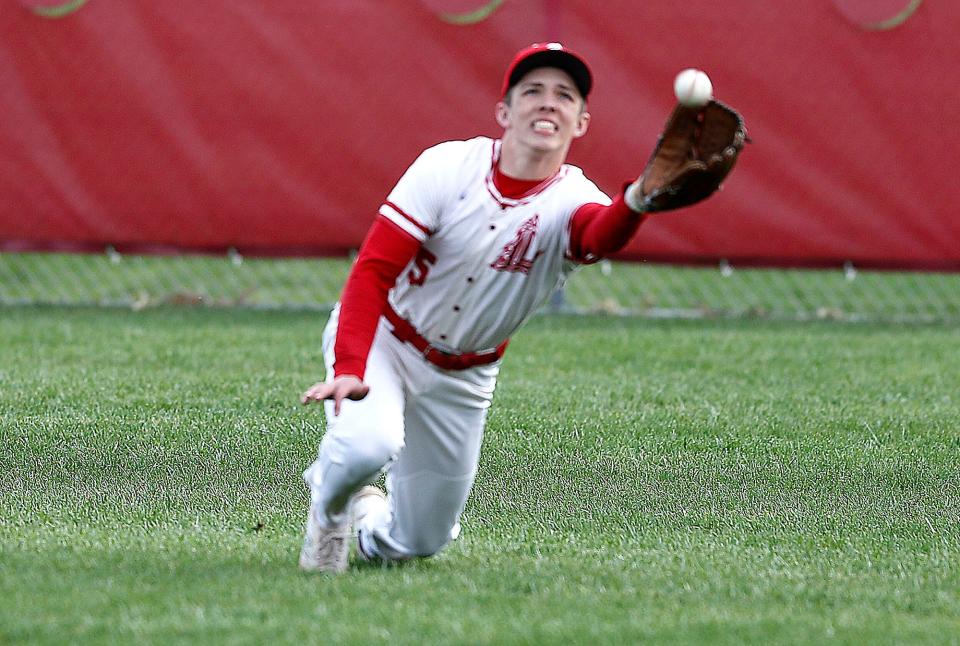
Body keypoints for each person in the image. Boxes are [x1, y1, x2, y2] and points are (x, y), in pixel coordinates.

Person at [299, 42, 656, 573]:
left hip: (465, 377)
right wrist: (350, 366)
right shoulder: (447, 166)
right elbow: (372, 270)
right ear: (504, 112)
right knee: (366, 444)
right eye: (531, 91)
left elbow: (599, 234)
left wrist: (640, 199)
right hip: (387, 341)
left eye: (564, 96)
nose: (547, 103)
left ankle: (367, 518)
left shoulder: (573, 198)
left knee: (421, 540)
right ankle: (329, 513)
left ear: (581, 122)